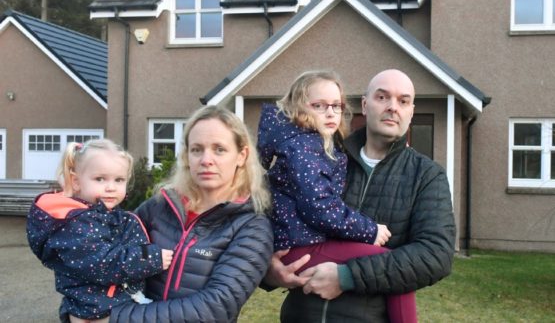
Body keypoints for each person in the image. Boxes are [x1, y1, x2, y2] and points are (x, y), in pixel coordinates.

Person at [266, 69, 456, 322]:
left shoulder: (427, 176)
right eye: (382, 97)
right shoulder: (320, 158)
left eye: (403, 101)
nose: (392, 107)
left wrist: (347, 277)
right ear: (365, 106)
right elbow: (273, 210)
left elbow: (435, 255)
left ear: (411, 112)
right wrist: (268, 270)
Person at [109, 105, 274, 322]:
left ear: (241, 156)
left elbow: (214, 307)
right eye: (197, 149)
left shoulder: (252, 226)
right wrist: (81, 306)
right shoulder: (159, 206)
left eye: (219, 149)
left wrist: (114, 318)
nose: (206, 160)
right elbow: (103, 254)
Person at [27, 139, 174, 323]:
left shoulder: (104, 216)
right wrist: (151, 258)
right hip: (95, 313)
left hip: (109, 306)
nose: (111, 187)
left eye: (119, 180)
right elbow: (103, 263)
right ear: (76, 181)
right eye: (100, 179)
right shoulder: (76, 223)